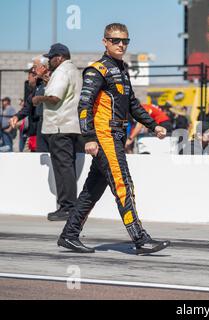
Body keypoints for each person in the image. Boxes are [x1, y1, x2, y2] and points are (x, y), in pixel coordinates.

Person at [58, 23, 171, 255]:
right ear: (105, 42)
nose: (121, 45)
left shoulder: (122, 69)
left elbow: (133, 105)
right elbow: (84, 106)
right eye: (116, 40)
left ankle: (69, 235)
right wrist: (89, 137)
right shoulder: (96, 70)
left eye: (125, 41)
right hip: (104, 137)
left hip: (116, 137)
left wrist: (154, 125)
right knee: (123, 185)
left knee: (92, 190)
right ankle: (140, 239)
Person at [32, 44, 84, 221]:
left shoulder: (61, 71)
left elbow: (55, 98)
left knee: (63, 168)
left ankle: (67, 207)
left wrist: (38, 99)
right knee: (67, 166)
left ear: (59, 58)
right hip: (71, 126)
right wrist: (46, 80)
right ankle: (69, 207)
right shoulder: (73, 70)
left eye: (51, 58)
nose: (49, 61)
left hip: (60, 126)